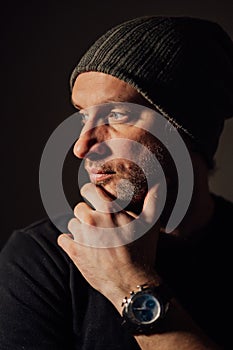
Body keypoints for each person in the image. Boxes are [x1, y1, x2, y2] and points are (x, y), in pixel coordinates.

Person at [0, 15, 233, 350]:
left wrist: (130, 283)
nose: (81, 146)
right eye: (82, 115)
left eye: (117, 115)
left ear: (185, 129)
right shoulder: (41, 260)